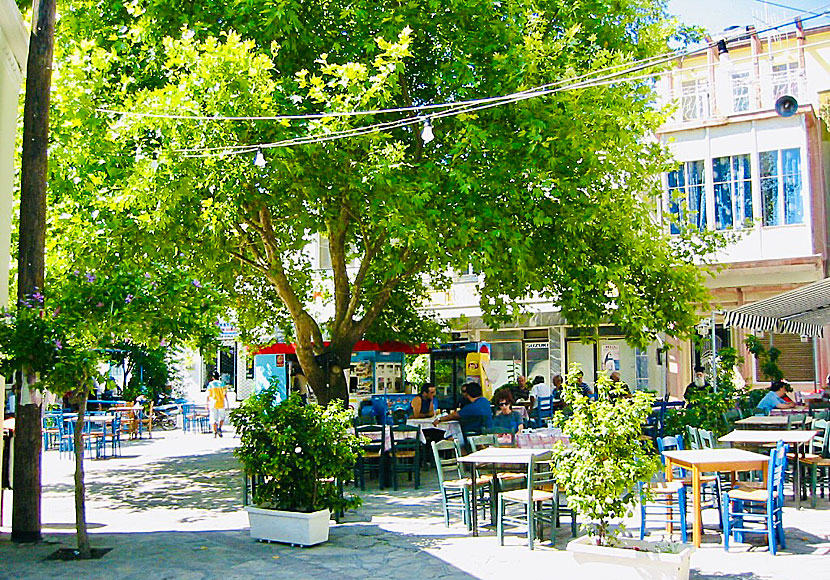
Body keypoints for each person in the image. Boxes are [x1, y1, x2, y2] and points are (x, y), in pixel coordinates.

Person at [206, 371, 229, 438]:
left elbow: (208, 395)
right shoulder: (222, 384)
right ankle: (219, 428)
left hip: (213, 403)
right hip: (221, 403)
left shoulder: (210, 384)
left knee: (213, 418)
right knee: (222, 417)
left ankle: (214, 432)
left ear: (213, 377)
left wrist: (207, 404)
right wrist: (227, 402)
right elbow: (225, 394)